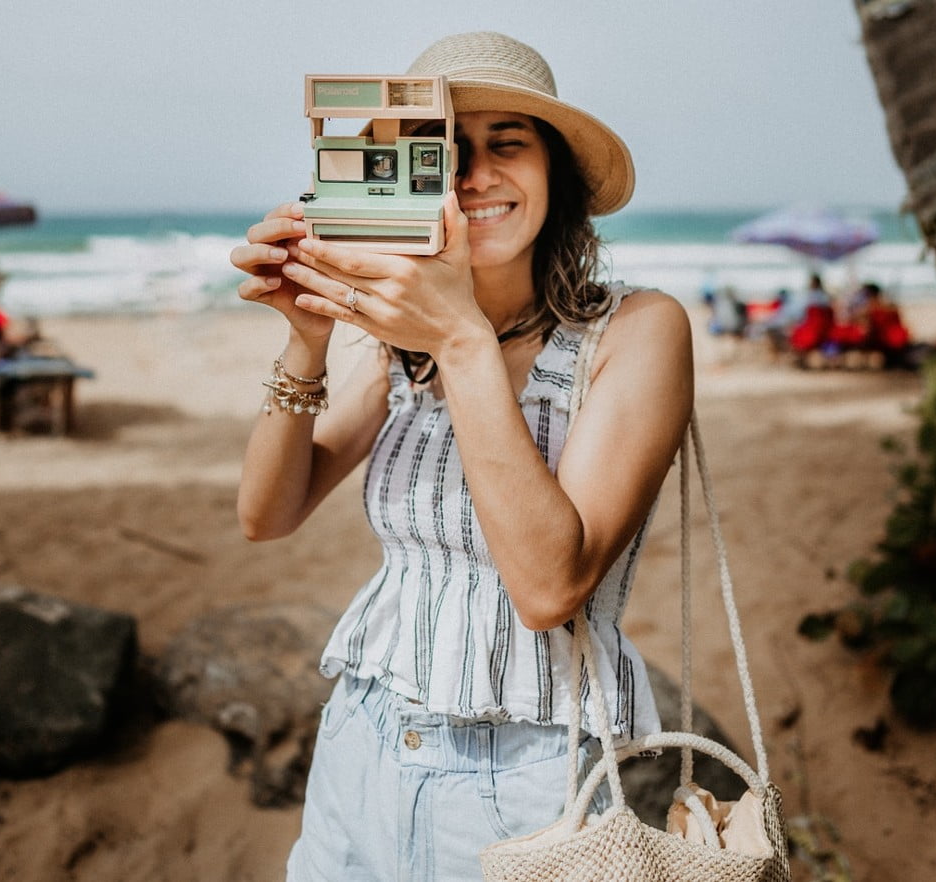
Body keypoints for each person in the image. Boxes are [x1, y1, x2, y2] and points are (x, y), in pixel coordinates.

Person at [230, 31, 693, 881]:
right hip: (359, 745)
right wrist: (306, 340)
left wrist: (460, 338)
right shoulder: (394, 351)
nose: (473, 176)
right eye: (443, 152)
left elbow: (550, 587)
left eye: (506, 144)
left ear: (557, 178)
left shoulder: (633, 333)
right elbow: (266, 514)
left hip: (524, 780)